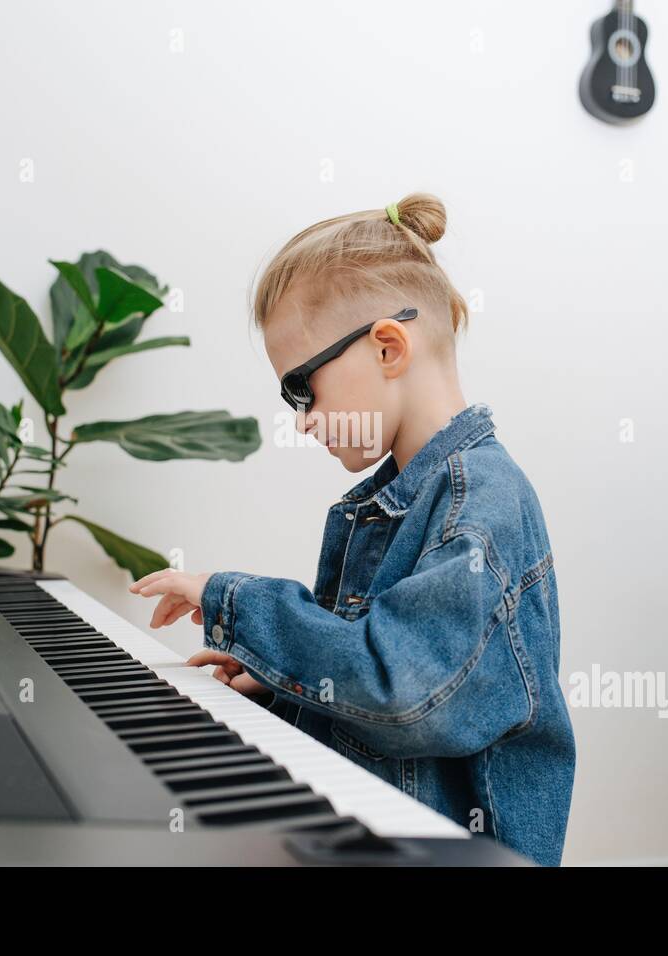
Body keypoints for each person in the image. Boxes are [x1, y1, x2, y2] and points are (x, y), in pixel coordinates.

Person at [130, 193, 575, 866]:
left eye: (302, 390)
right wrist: (285, 684)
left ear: (388, 347)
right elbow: (377, 666)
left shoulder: (477, 501)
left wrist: (234, 601)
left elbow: (406, 693)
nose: (303, 419)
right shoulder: (409, 496)